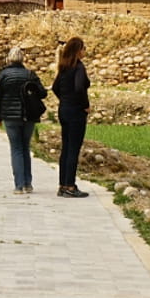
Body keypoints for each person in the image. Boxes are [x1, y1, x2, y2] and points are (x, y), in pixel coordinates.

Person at [0, 45, 46, 194]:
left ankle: (18, 185)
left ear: (9, 59)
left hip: (10, 116)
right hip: (28, 115)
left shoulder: (3, 75)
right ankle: (28, 183)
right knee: (25, 147)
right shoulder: (30, 74)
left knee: (16, 148)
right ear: (23, 59)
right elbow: (43, 93)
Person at [53, 36, 91, 197]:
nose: (85, 51)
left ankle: (62, 184)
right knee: (73, 149)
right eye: (83, 48)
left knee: (66, 147)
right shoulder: (78, 67)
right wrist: (85, 105)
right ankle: (70, 186)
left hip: (64, 110)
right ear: (78, 50)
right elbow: (79, 88)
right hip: (76, 112)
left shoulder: (63, 67)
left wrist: (65, 100)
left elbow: (55, 87)